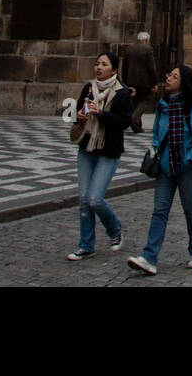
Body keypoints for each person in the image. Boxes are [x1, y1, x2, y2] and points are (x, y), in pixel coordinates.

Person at [128, 65, 192, 276]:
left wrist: (188, 158)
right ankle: (149, 257)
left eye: (174, 77)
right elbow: (157, 133)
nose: (168, 79)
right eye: (169, 75)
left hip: (187, 169)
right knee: (160, 210)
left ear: (182, 83)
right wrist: (155, 149)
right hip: (166, 167)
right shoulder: (163, 105)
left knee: (190, 209)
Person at [69, 52, 132, 260]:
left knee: (94, 199)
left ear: (114, 70)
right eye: (97, 63)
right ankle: (86, 245)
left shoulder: (122, 93)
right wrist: (78, 115)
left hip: (108, 151)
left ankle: (115, 230)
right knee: (83, 200)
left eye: (104, 65)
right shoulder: (89, 88)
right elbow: (77, 111)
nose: (99, 67)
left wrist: (101, 114)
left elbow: (124, 122)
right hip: (87, 149)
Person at [124, 31, 156, 133]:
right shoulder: (148, 49)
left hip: (130, 80)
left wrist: (125, 81)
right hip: (144, 81)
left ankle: (137, 126)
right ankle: (134, 119)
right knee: (145, 100)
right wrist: (154, 83)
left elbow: (125, 66)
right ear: (146, 40)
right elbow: (151, 67)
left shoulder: (129, 49)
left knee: (135, 101)